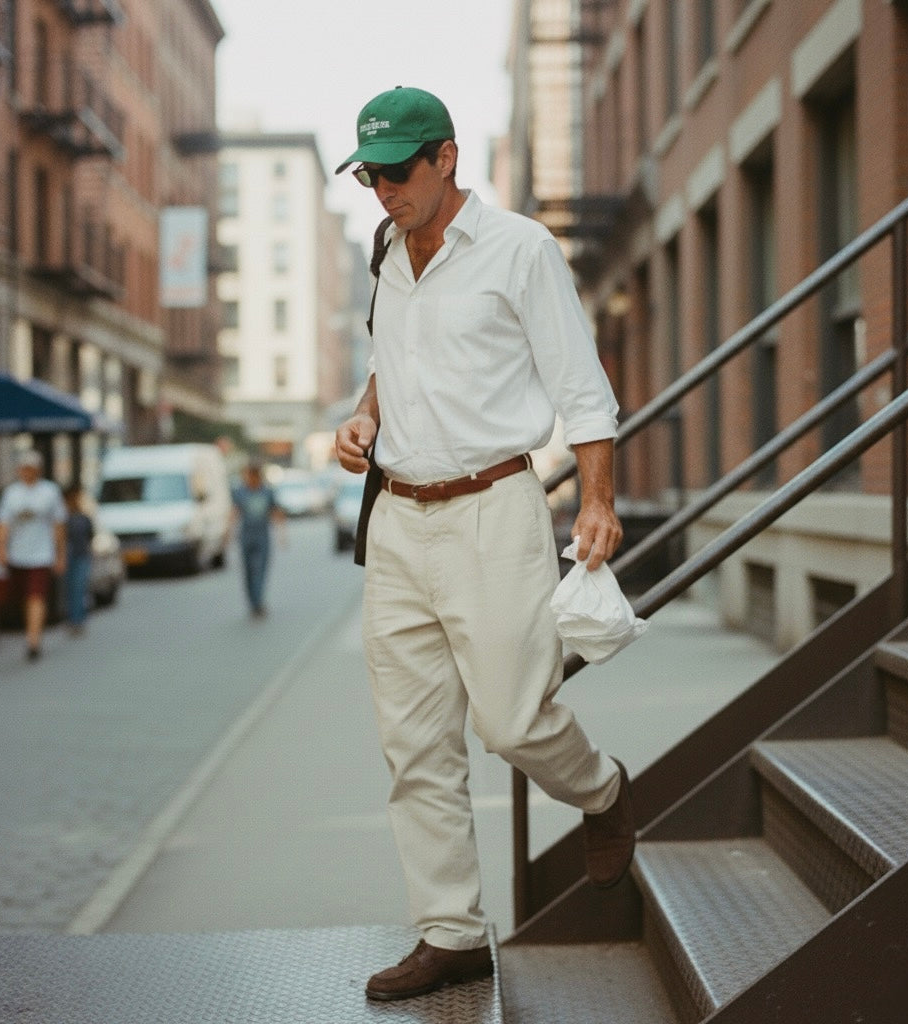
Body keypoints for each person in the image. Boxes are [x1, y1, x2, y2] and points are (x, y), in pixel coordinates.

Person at [333, 86, 635, 1002]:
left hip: (492, 511)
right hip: (397, 520)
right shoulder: (389, 251)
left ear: (447, 158)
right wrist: (362, 414)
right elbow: (395, 358)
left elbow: (581, 386)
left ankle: (603, 790)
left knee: (511, 720)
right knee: (414, 744)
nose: (382, 191)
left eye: (397, 173)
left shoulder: (519, 249)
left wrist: (598, 501)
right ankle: (452, 932)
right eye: (369, 176)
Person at [0, 450, 66, 660]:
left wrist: (60, 554)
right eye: (24, 468)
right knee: (24, 597)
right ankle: (31, 631)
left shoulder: (49, 492)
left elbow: (59, 525)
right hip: (17, 555)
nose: (27, 473)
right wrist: (0, 548)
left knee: (36, 596)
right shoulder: (12, 493)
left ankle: (33, 640)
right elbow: (2, 523)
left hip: (42, 555)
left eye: (31, 469)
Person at [230, 461, 284, 618]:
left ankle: (259, 602)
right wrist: (228, 533)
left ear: (257, 476)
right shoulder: (240, 492)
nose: (248, 478)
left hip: (262, 537)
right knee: (248, 572)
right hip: (246, 537)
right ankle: (253, 602)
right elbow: (235, 512)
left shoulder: (267, 492)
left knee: (259, 570)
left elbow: (275, 511)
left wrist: (282, 534)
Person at [63, 485, 94, 635]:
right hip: (68, 557)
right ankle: (73, 619)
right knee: (70, 589)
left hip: (81, 556)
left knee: (79, 589)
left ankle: (79, 620)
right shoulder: (63, 518)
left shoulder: (83, 518)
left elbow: (90, 536)